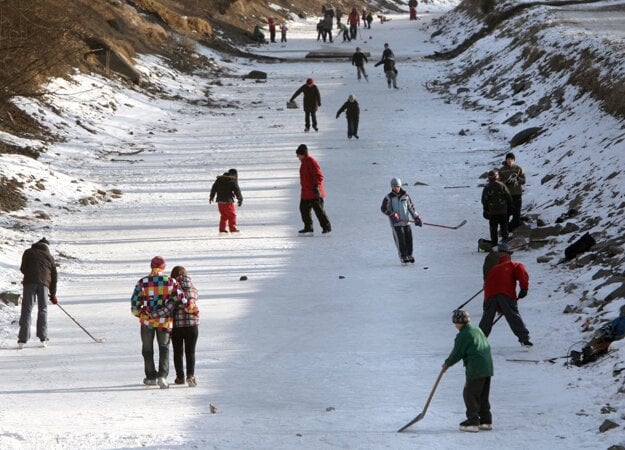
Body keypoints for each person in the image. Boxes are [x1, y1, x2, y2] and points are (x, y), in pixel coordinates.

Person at [130, 256, 187, 389]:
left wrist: (140, 315)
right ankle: (162, 376)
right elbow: (180, 298)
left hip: (147, 321)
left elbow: (134, 304)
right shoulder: (171, 282)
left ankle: (150, 377)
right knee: (164, 348)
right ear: (164, 267)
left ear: (151, 266)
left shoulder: (142, 282)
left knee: (147, 349)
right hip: (165, 321)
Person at [443, 309, 494, 433]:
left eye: (456, 323)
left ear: (459, 322)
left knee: (469, 393)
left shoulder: (463, 334)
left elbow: (457, 352)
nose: (455, 325)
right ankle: (486, 420)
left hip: (476, 368)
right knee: (482, 394)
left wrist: (447, 364)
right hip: (487, 366)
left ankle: (473, 421)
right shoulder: (477, 330)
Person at [154, 266, 200, 387]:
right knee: (191, 352)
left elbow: (169, 307)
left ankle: (180, 377)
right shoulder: (193, 289)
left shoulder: (173, 289)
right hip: (192, 324)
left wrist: (153, 315)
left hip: (177, 325)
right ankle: (191, 375)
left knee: (178, 352)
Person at [479, 248, 532, 348]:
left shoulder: (494, 269)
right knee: (513, 315)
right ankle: (524, 339)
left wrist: (498, 307)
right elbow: (522, 274)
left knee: (487, 318)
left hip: (489, 294)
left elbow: (487, 284)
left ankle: (477, 340)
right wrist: (524, 289)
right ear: (508, 257)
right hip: (505, 293)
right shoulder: (514, 264)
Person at [17, 238, 58, 349]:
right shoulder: (49, 257)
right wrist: (53, 294)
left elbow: (23, 268)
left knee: (27, 309)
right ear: (47, 247)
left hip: (29, 283)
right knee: (43, 309)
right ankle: (43, 337)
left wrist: (31, 274)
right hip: (44, 285)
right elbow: (54, 276)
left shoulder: (28, 252)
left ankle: (22, 339)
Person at [380, 177, 422, 264]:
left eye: (398, 186)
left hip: (406, 222)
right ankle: (403, 257)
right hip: (396, 223)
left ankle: (409, 255)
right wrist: (392, 214)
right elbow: (383, 209)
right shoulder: (389, 198)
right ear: (392, 187)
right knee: (400, 241)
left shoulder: (406, 196)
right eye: (395, 186)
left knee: (409, 239)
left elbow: (411, 208)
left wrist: (417, 218)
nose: (396, 188)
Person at [295, 144, 331, 235]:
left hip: (314, 192)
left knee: (319, 211)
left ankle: (327, 228)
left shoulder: (311, 161)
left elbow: (319, 175)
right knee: (303, 209)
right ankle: (308, 228)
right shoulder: (304, 162)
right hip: (306, 192)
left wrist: (316, 186)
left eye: (298, 155)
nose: (297, 157)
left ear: (302, 154)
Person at [481, 169, 513, 245]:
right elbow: (509, 197)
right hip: (503, 211)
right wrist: (510, 208)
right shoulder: (502, 185)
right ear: (497, 177)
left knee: (493, 230)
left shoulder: (487, 187)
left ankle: (494, 245)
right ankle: (505, 245)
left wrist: (486, 209)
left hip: (492, 213)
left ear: (489, 178)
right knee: (504, 228)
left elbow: (484, 200)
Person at [209, 168, 243, 234]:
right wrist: (240, 198)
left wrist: (211, 197)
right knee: (232, 215)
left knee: (223, 216)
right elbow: (237, 191)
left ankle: (222, 229)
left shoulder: (218, 180)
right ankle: (233, 229)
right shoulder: (231, 181)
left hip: (220, 202)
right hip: (228, 201)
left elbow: (213, 189)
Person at [498, 152, 526, 230]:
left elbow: (524, 181)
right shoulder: (501, 170)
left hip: (517, 194)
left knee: (516, 215)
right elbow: (498, 183)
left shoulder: (519, 169)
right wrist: (506, 182)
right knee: (506, 214)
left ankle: (513, 230)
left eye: (511, 159)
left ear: (514, 160)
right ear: (506, 160)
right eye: (508, 159)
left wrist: (517, 179)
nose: (509, 161)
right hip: (507, 195)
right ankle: (505, 231)